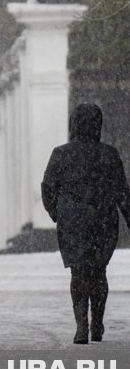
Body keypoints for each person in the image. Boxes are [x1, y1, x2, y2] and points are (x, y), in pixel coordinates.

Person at [41, 102, 130, 344]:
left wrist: (56, 213)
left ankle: (81, 325)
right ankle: (97, 322)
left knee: (78, 273)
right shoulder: (109, 154)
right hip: (103, 220)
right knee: (99, 272)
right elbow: (122, 191)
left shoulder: (61, 154)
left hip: (73, 222)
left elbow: (48, 187)